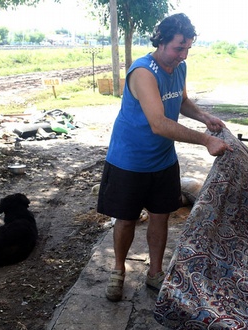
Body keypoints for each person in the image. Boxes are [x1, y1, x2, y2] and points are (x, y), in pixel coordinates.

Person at [97, 13, 232, 302]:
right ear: (161, 42)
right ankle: (118, 271)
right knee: (126, 219)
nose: (183, 55)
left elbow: (181, 101)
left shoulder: (179, 67)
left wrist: (204, 117)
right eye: (178, 48)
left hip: (163, 160)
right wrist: (205, 140)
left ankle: (155, 273)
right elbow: (158, 123)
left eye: (187, 48)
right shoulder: (143, 72)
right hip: (129, 160)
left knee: (161, 217)